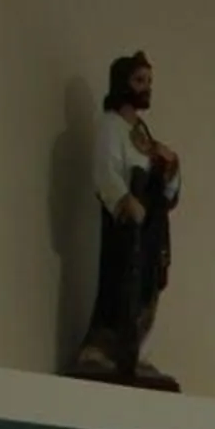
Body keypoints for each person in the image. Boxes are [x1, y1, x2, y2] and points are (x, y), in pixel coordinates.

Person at [71, 52, 181, 386]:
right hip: (126, 225)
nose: (146, 88)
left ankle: (138, 351)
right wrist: (124, 200)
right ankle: (103, 349)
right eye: (139, 81)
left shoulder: (143, 134)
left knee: (148, 286)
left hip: (151, 224)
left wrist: (171, 164)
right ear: (122, 84)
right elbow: (105, 170)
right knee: (120, 282)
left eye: (149, 82)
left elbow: (163, 180)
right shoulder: (110, 126)